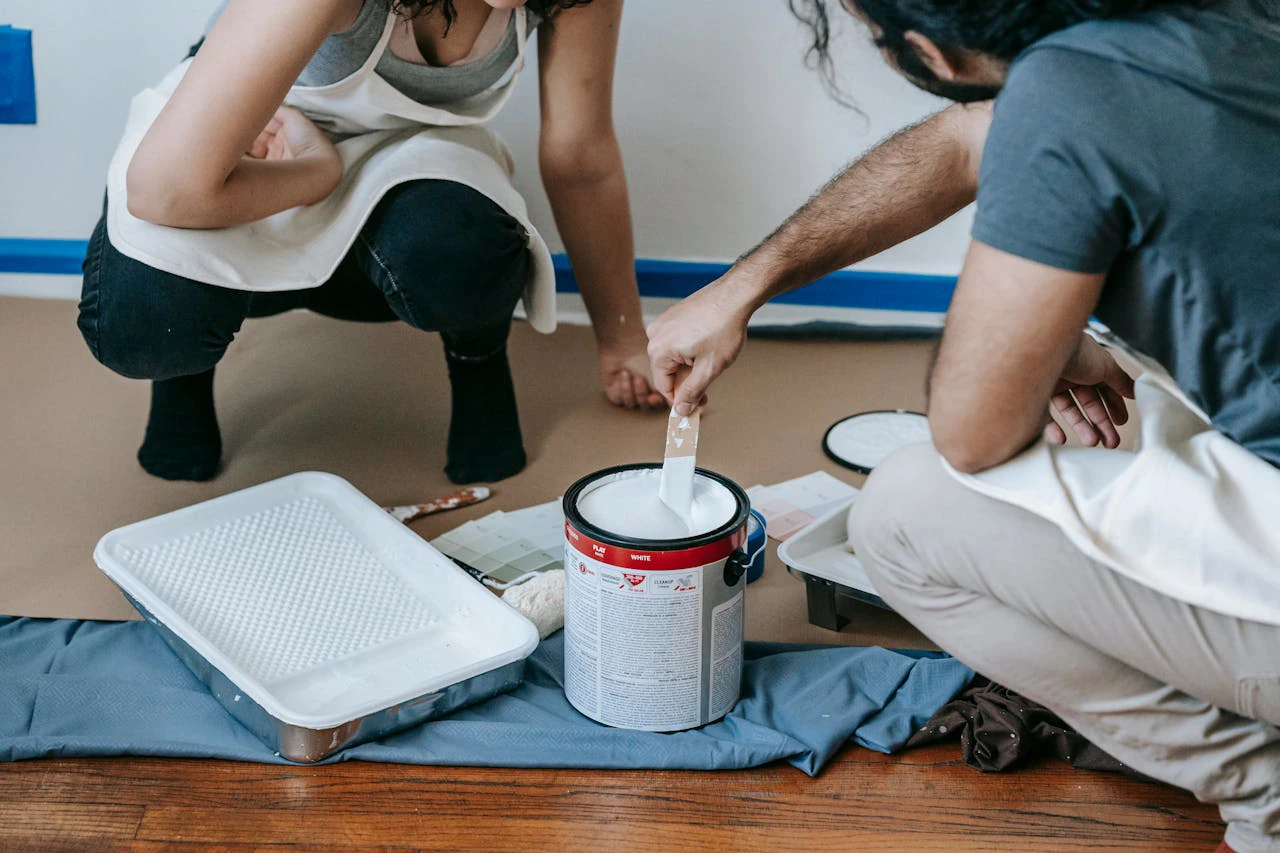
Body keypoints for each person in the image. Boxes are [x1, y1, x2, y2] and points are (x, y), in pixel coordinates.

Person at [645, 1, 1280, 851]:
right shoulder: (1203, 22)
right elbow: (960, 143)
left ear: (930, 53)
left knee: (901, 515)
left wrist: (1036, 340)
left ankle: (1264, 787)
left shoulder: (1067, 97)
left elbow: (972, 432)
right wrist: (742, 287)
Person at [79, 0, 664, 485]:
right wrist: (315, 171)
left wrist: (622, 339)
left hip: (410, 149)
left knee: (462, 251)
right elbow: (168, 190)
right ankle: (183, 374)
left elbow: (580, 159)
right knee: (145, 320)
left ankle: (477, 357)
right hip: (256, 150)